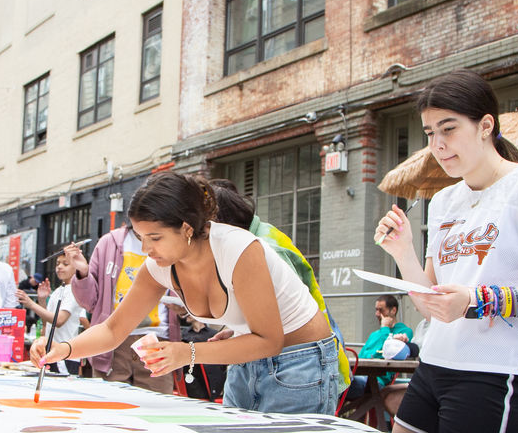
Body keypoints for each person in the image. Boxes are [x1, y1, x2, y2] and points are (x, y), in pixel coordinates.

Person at [374, 70, 518, 433]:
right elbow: (431, 306)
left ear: (486, 125)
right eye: (429, 134)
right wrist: (402, 251)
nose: (437, 145)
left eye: (449, 129)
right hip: (435, 363)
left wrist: (476, 300)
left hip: (495, 370)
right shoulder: (443, 201)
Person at [37, 172, 340, 414]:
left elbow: (270, 340)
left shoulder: (239, 248)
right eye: (140, 237)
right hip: (244, 356)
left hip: (299, 361)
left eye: (154, 237)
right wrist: (64, 350)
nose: (146, 249)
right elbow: (113, 329)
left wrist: (187, 353)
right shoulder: (158, 266)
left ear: (185, 229)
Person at [209, 178, 352, 395]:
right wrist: (236, 329)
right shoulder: (257, 237)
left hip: (296, 364)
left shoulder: (265, 248)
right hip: (283, 361)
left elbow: (287, 312)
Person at [63, 219, 181, 394]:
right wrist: (83, 272)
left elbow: (186, 288)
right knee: (109, 411)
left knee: (156, 411)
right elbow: (89, 302)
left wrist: (185, 307)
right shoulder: (109, 243)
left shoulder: (172, 240)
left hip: (157, 341)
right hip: (113, 341)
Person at [17, 252, 84, 375]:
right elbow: (46, 324)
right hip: (52, 352)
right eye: (58, 263)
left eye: (65, 264)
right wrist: (42, 300)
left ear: (76, 267)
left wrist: (31, 304)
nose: (59, 267)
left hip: (65, 355)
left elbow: (59, 320)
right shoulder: (59, 290)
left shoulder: (74, 290)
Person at [345, 295, 415, 401]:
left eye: (381, 310)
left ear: (393, 310)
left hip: (377, 382)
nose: (377, 314)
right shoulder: (374, 334)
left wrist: (385, 328)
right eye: (376, 310)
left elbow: (388, 351)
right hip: (360, 378)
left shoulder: (404, 332)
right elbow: (360, 357)